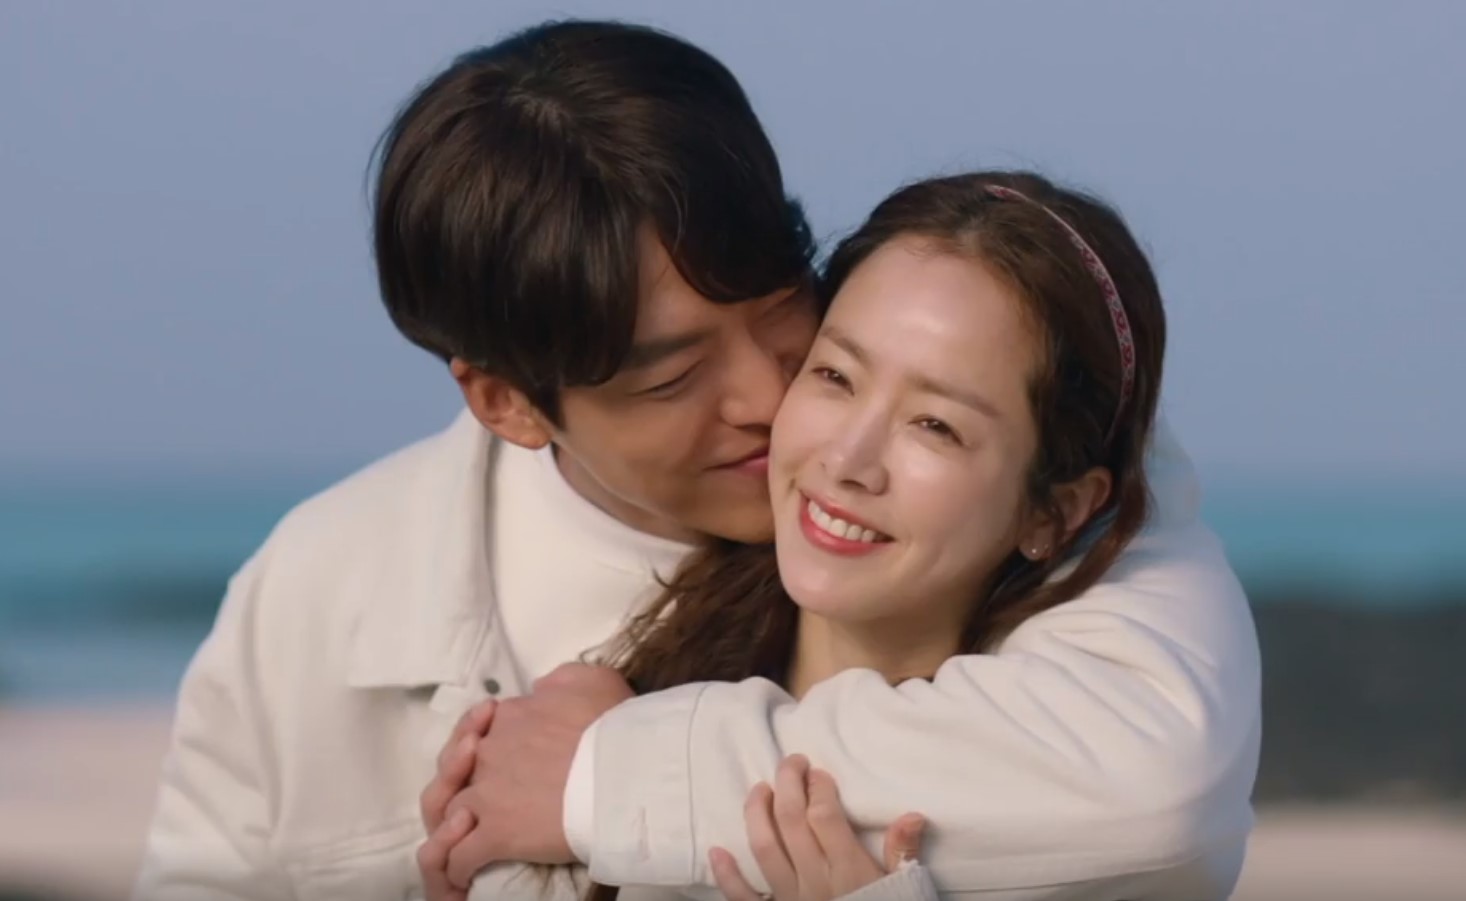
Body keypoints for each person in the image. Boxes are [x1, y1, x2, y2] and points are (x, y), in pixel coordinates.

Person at [132, 20, 1259, 901]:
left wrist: (596, 775)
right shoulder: (318, 597)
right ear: (506, 401)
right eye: (673, 377)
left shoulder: (1024, 484)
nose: (775, 401)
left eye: (779, 313)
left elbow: (1152, 771)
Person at [419, 171, 1229, 901]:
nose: (847, 459)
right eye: (835, 375)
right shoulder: (586, 716)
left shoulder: (1105, 840)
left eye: (936, 425)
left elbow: (1161, 786)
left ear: (1054, 512)